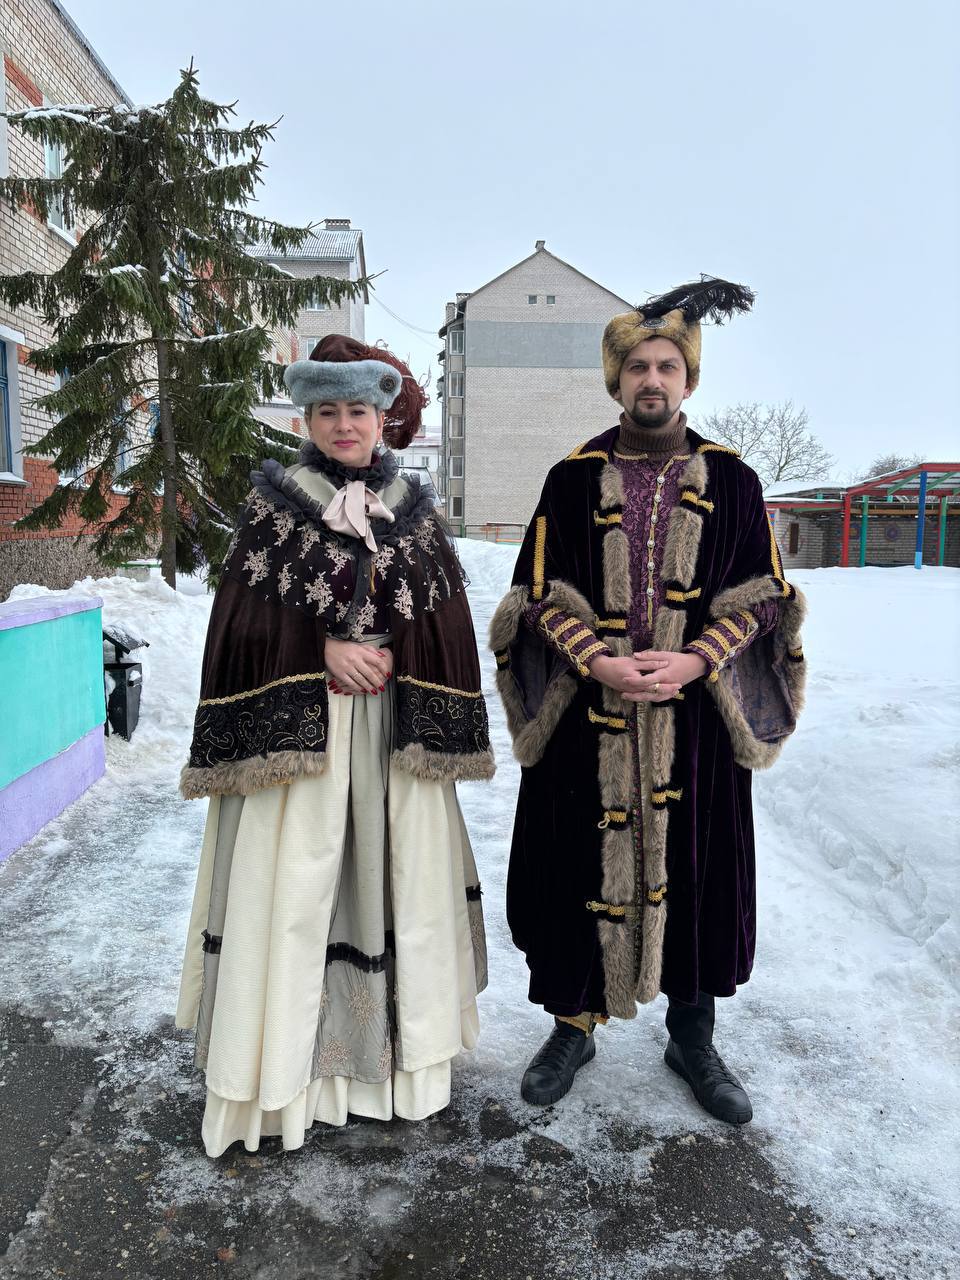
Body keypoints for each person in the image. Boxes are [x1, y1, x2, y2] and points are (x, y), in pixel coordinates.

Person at [490, 279, 806, 1124]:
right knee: (574, 865)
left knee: (697, 869)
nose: (653, 379)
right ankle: (572, 1025)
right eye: (638, 367)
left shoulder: (734, 481)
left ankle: (692, 1035)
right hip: (586, 718)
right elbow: (533, 598)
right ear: (617, 380)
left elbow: (766, 599)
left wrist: (699, 658)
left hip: (694, 721)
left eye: (668, 366)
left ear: (688, 380)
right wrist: (597, 659)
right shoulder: (570, 480)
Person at [176, 335, 494, 1157]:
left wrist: (399, 655)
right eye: (327, 411)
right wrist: (321, 650)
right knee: (296, 892)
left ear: (383, 419)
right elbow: (241, 624)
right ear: (306, 420)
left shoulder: (414, 511)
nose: (344, 425)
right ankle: (283, 1077)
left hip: (392, 732)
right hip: (306, 736)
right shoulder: (275, 509)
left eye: (358, 410)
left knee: (397, 886)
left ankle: (390, 1074)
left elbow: (444, 618)